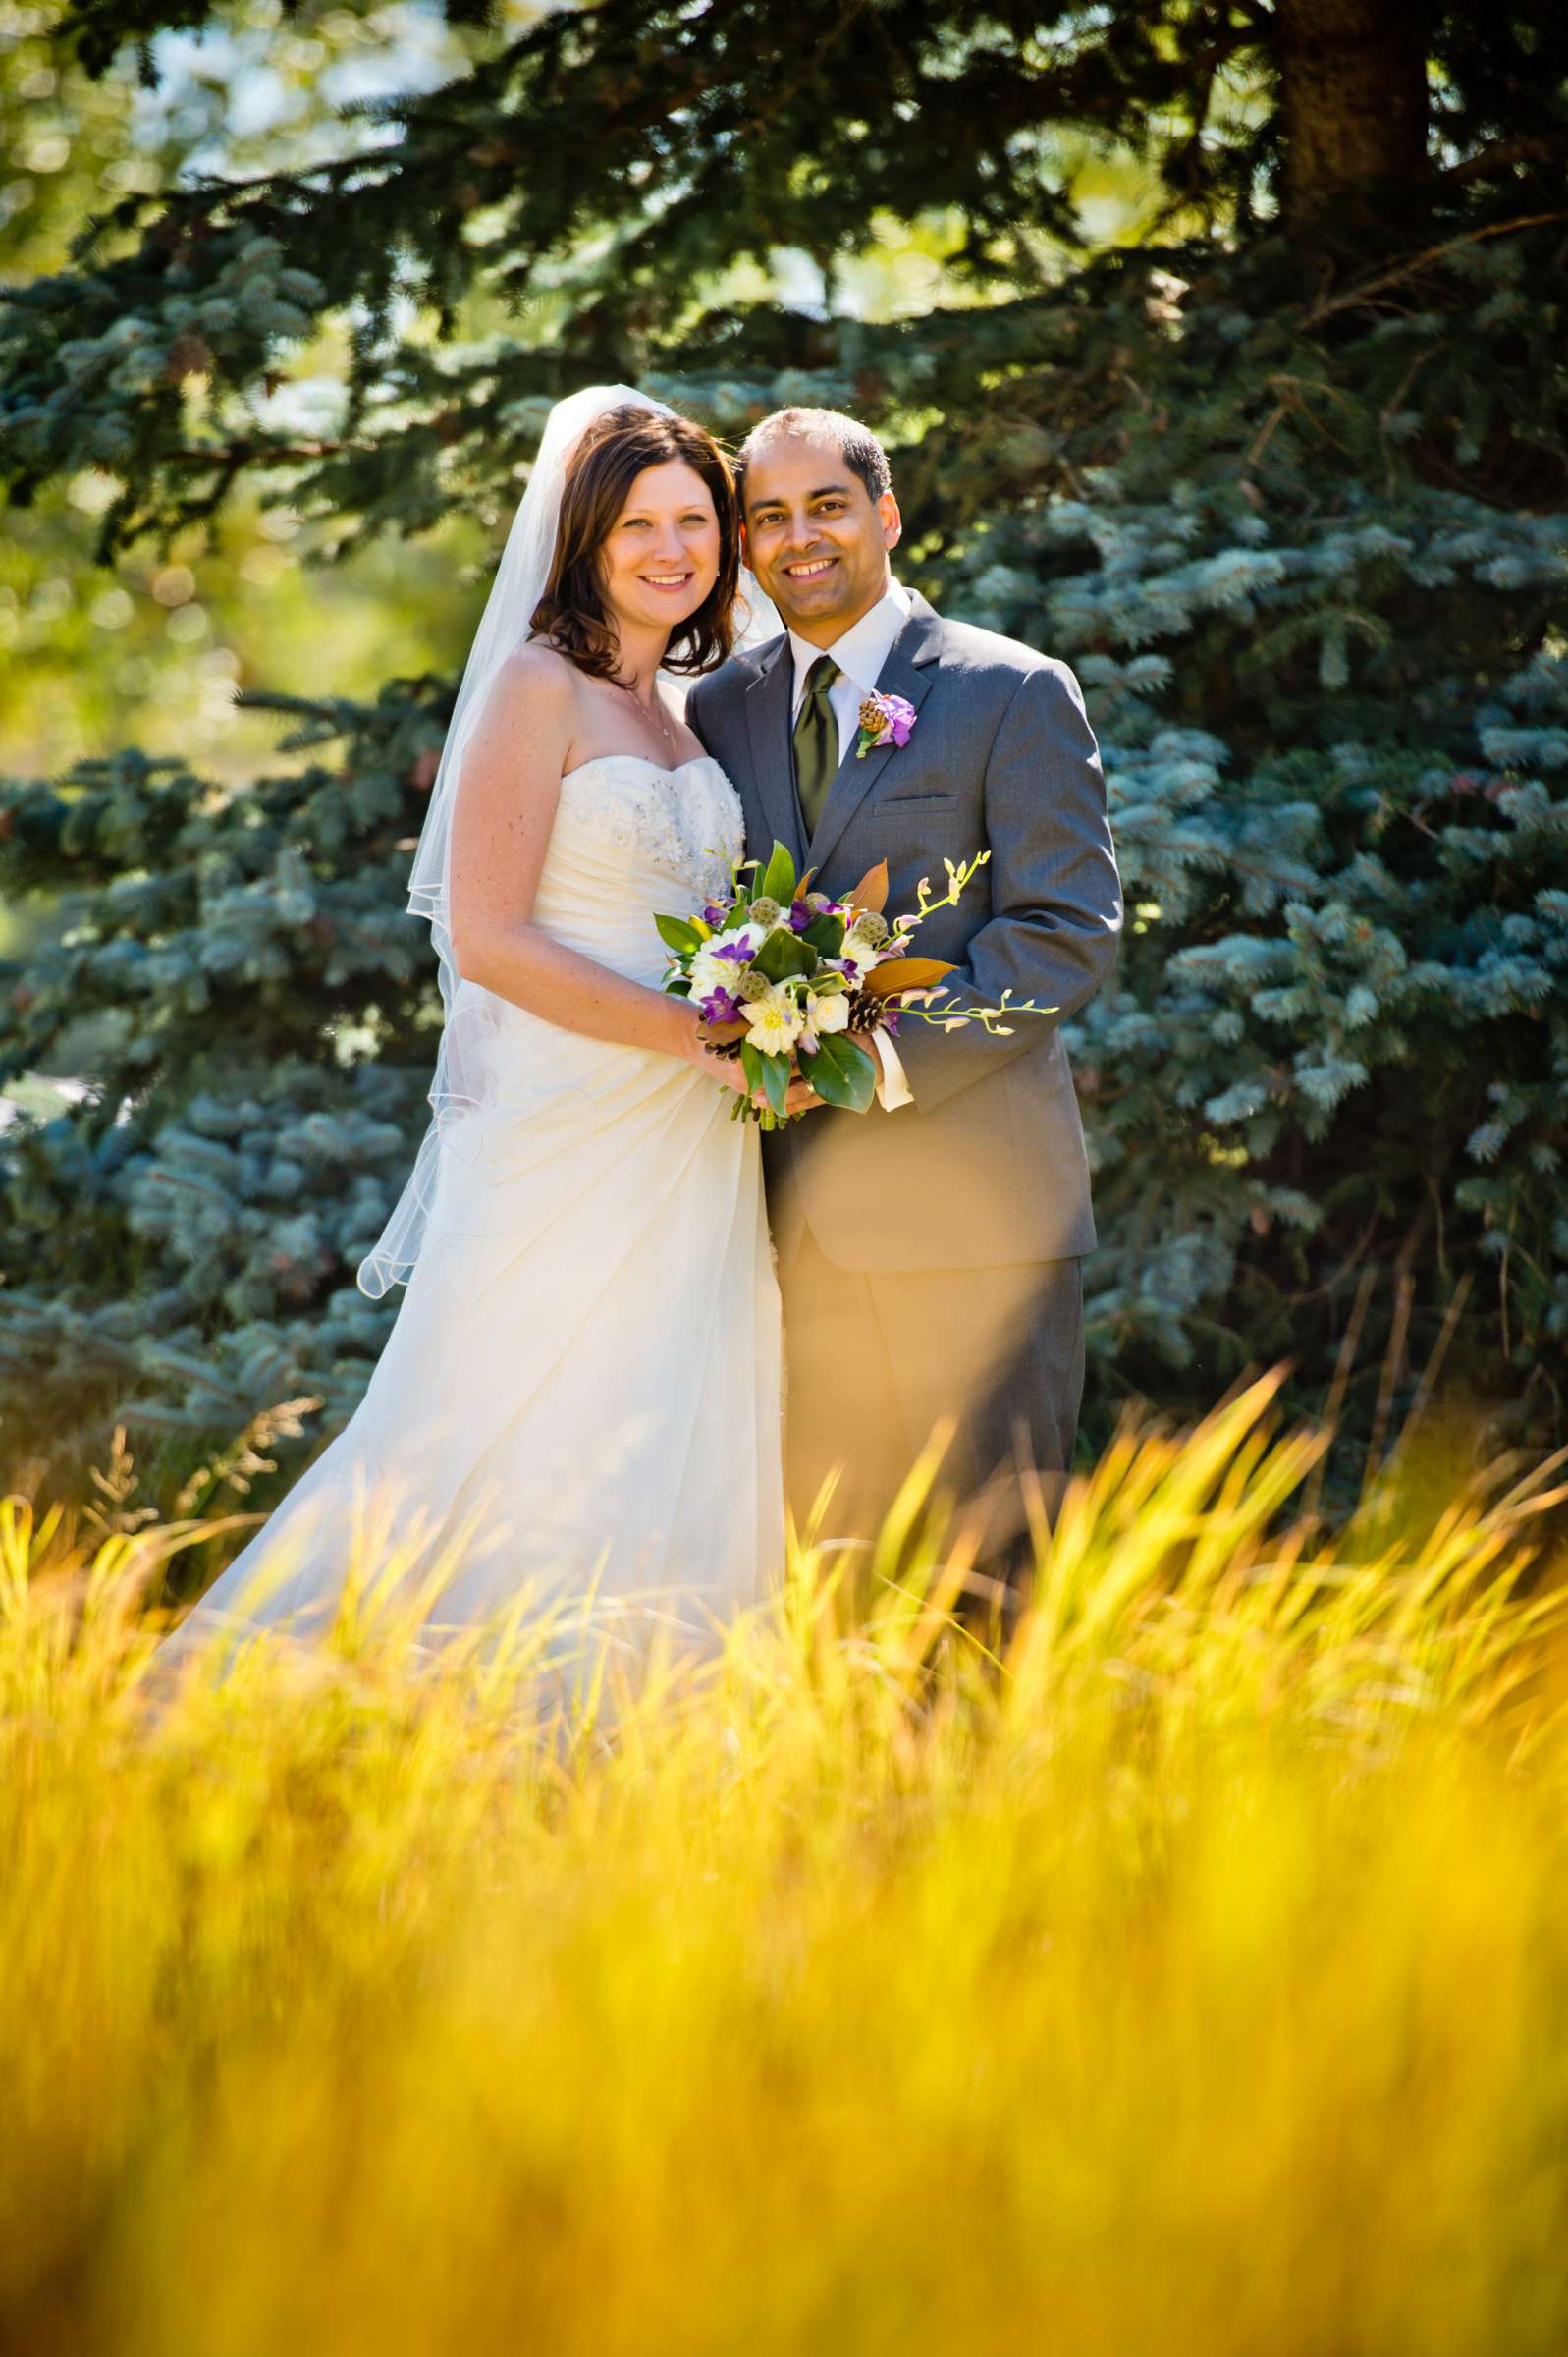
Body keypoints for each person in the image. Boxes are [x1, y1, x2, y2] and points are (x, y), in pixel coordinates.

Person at [160, 390, 782, 1671]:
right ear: (584, 542)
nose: (673, 550)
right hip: (568, 1121)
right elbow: (488, 938)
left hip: (690, 1127)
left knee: (675, 1403)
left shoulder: (686, 698)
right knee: (504, 1405)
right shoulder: (535, 686)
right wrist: (695, 1036)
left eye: (694, 522)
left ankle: (650, 1715)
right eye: (637, 527)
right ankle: (387, 1701)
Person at [686, 407, 1122, 1570]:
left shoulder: (1008, 690)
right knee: (833, 1589)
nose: (798, 538)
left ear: (884, 513)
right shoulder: (719, 708)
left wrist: (871, 1060)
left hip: (977, 1223)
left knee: (990, 1583)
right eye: (767, 518)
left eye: (825, 505)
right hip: (781, 1230)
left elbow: (1063, 933)